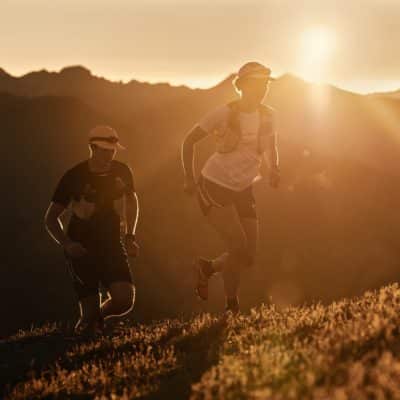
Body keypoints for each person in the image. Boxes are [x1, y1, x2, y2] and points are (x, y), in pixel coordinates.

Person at [181, 62, 280, 313]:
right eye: (258, 84)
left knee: (248, 255)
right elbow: (189, 141)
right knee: (237, 246)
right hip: (214, 185)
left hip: (243, 188)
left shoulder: (268, 115)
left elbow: (270, 146)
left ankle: (208, 268)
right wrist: (189, 178)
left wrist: (274, 169)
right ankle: (232, 308)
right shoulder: (224, 113)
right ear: (243, 86)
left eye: (266, 84)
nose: (263, 89)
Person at [44, 126, 139, 334]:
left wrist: (130, 235)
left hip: (112, 244)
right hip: (81, 248)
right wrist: (67, 244)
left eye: (112, 150)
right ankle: (87, 327)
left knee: (124, 301)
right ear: (92, 148)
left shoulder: (122, 171)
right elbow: (51, 218)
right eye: (105, 150)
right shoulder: (74, 176)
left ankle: (95, 321)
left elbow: (132, 201)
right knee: (88, 315)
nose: (110, 154)